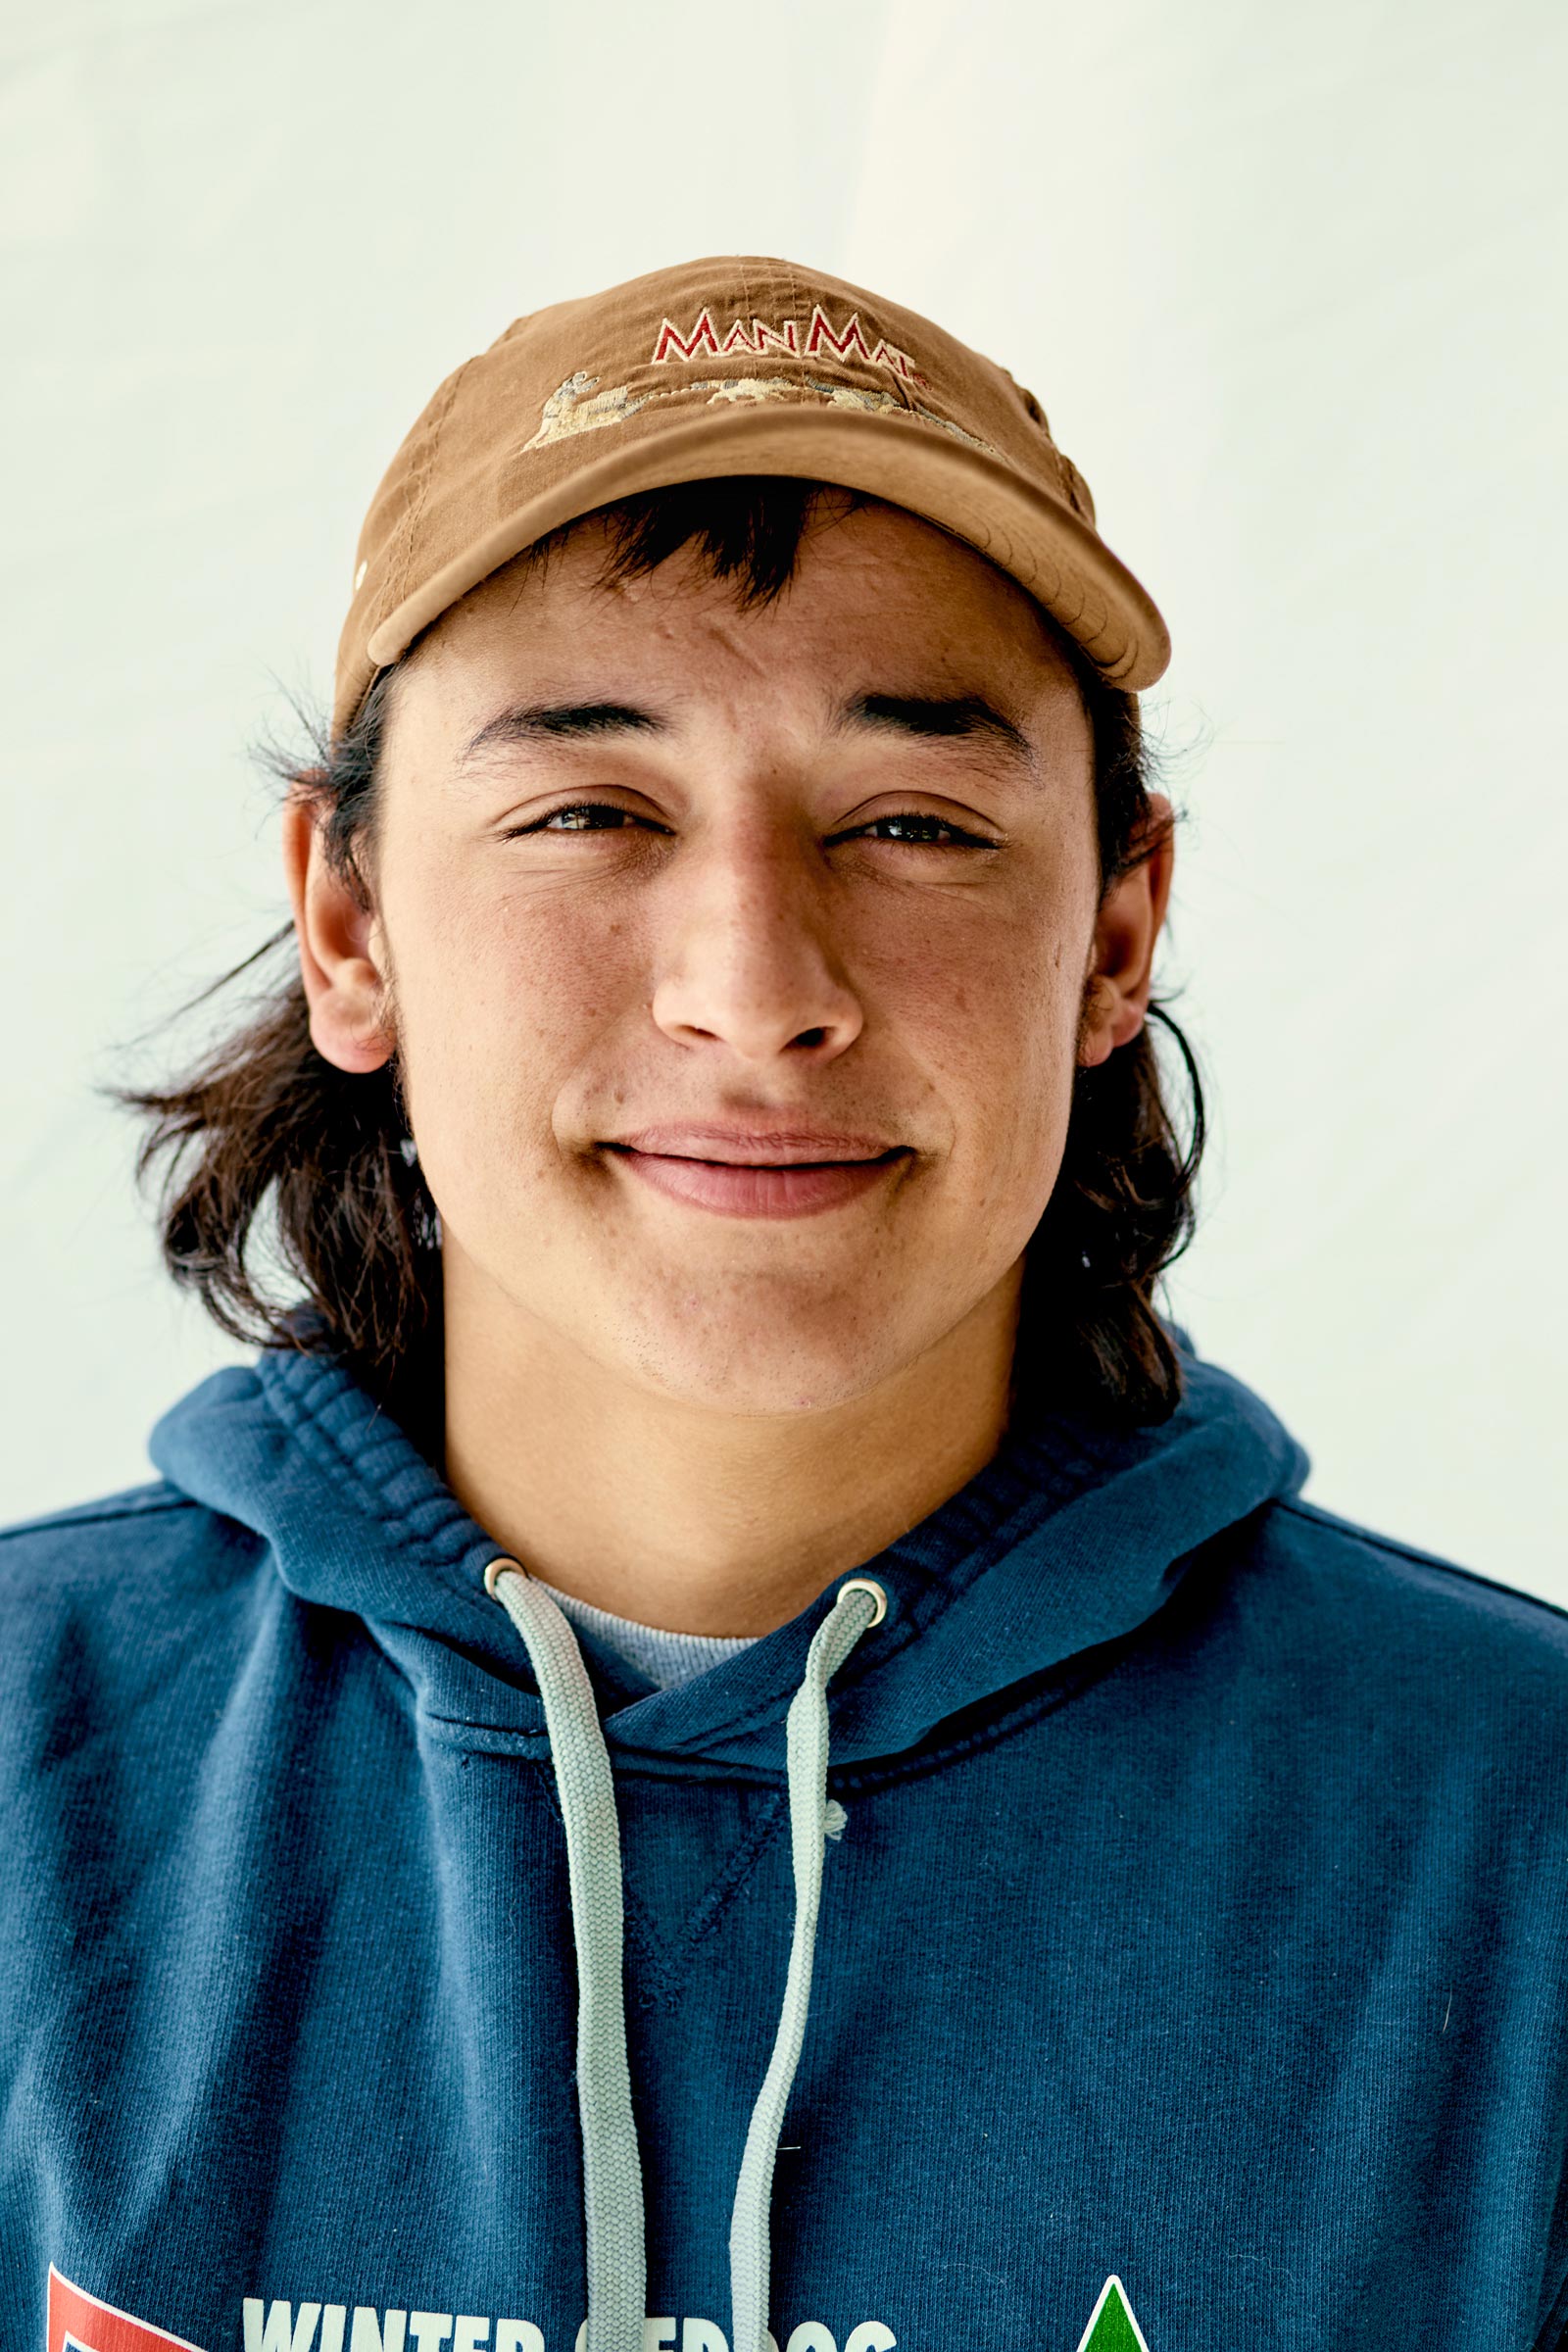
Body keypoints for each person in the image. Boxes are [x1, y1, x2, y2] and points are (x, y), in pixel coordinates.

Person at [3, 255, 1565, 2352]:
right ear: (348, 923)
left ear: (1116, 929)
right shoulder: (27, 1777)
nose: (753, 990)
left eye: (911, 823)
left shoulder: (1521, 1838)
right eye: (587, 811)